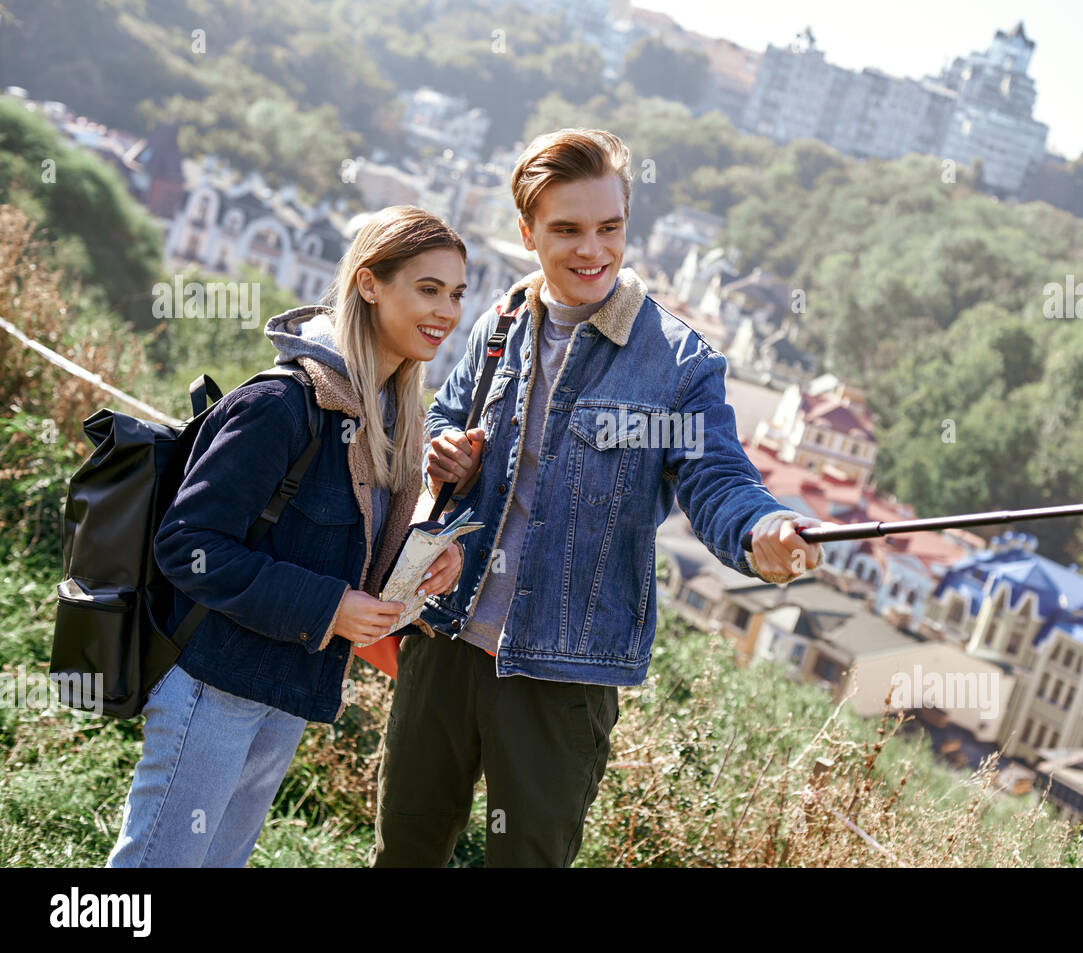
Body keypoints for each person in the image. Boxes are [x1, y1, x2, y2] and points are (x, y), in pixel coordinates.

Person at [372, 129, 823, 868]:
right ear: (528, 233)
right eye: (568, 230)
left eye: (609, 228)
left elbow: (718, 479)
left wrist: (763, 529)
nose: (593, 251)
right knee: (403, 854)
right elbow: (447, 416)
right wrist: (442, 449)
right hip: (445, 641)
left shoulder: (678, 364)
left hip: (563, 677)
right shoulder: (500, 324)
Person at [108, 205, 467, 867]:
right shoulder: (281, 405)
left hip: (287, 690)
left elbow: (342, 552)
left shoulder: (390, 423)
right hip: (213, 686)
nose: (447, 311)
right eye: (427, 288)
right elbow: (189, 544)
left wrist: (427, 559)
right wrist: (328, 606)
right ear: (368, 284)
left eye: (455, 293)